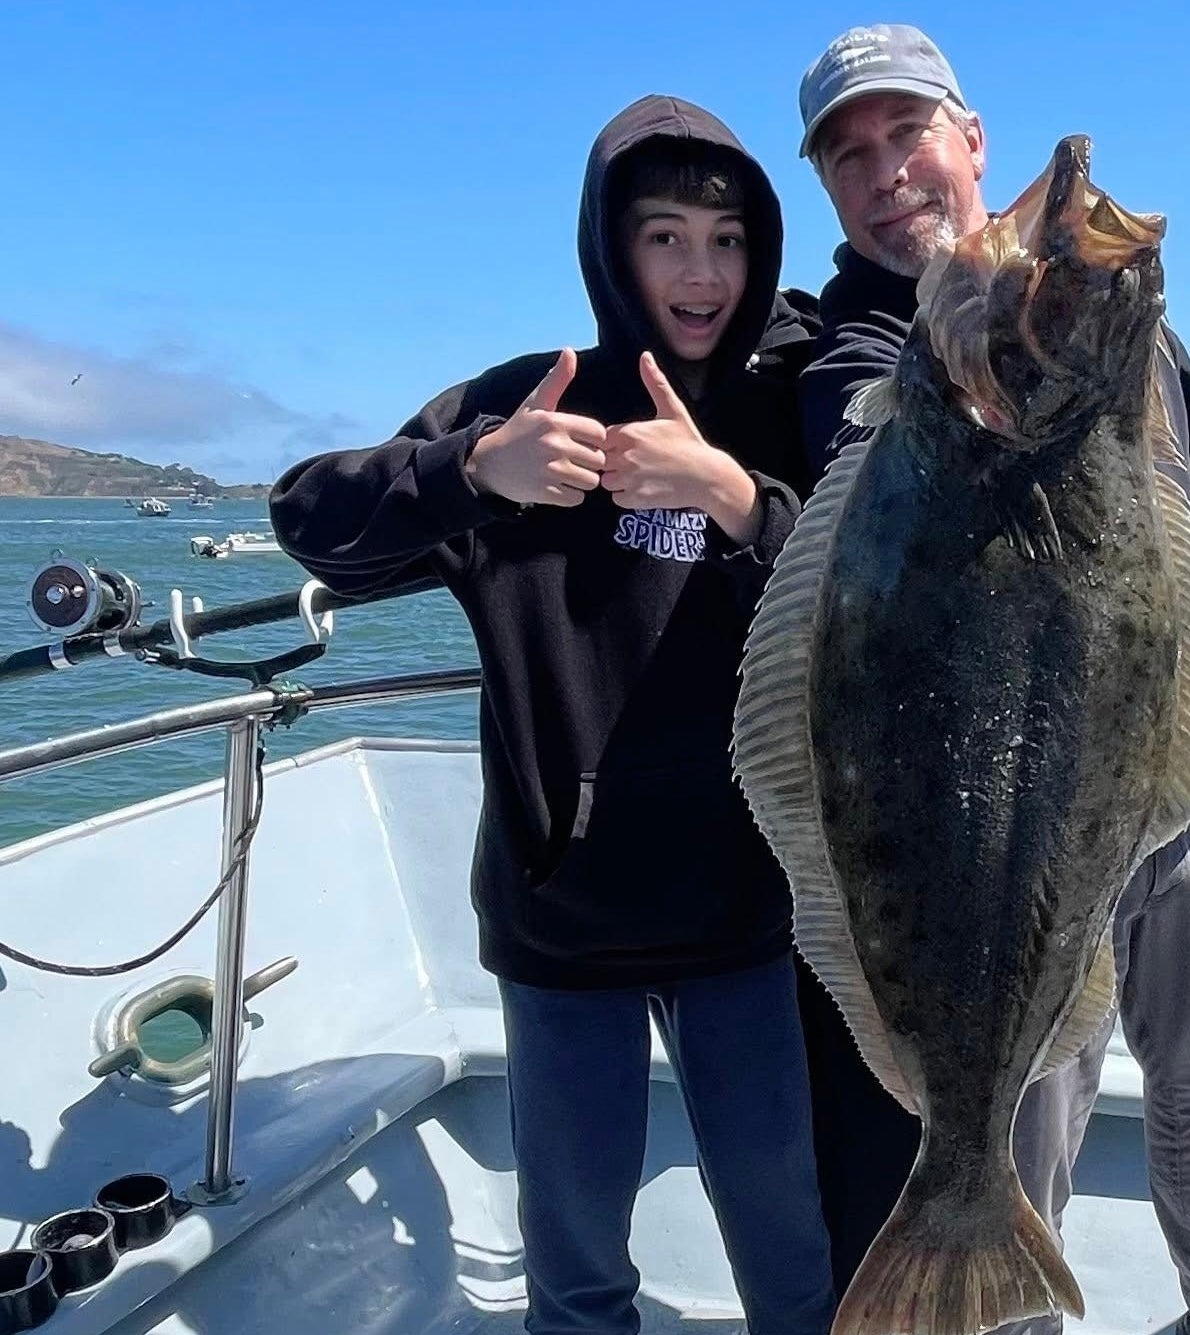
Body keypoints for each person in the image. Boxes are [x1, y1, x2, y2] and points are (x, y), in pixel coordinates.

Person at [793, 26, 1190, 1335]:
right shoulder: (851, 367)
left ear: (968, 139)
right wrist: (979, 347)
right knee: (1017, 1111)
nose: (884, 173)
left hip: (1182, 799)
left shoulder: (1124, 348)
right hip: (1002, 834)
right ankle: (998, 1308)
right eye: (848, 155)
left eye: (905, 133)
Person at [269, 95, 835, 1335]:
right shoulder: (533, 400)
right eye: (666, 235)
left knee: (791, 1257)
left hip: (746, 914)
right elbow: (310, 518)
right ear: (608, 246)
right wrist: (470, 474)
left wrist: (741, 501)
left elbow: (873, 598)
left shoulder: (780, 412)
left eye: (730, 239)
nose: (702, 271)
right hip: (562, 921)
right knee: (578, 1272)